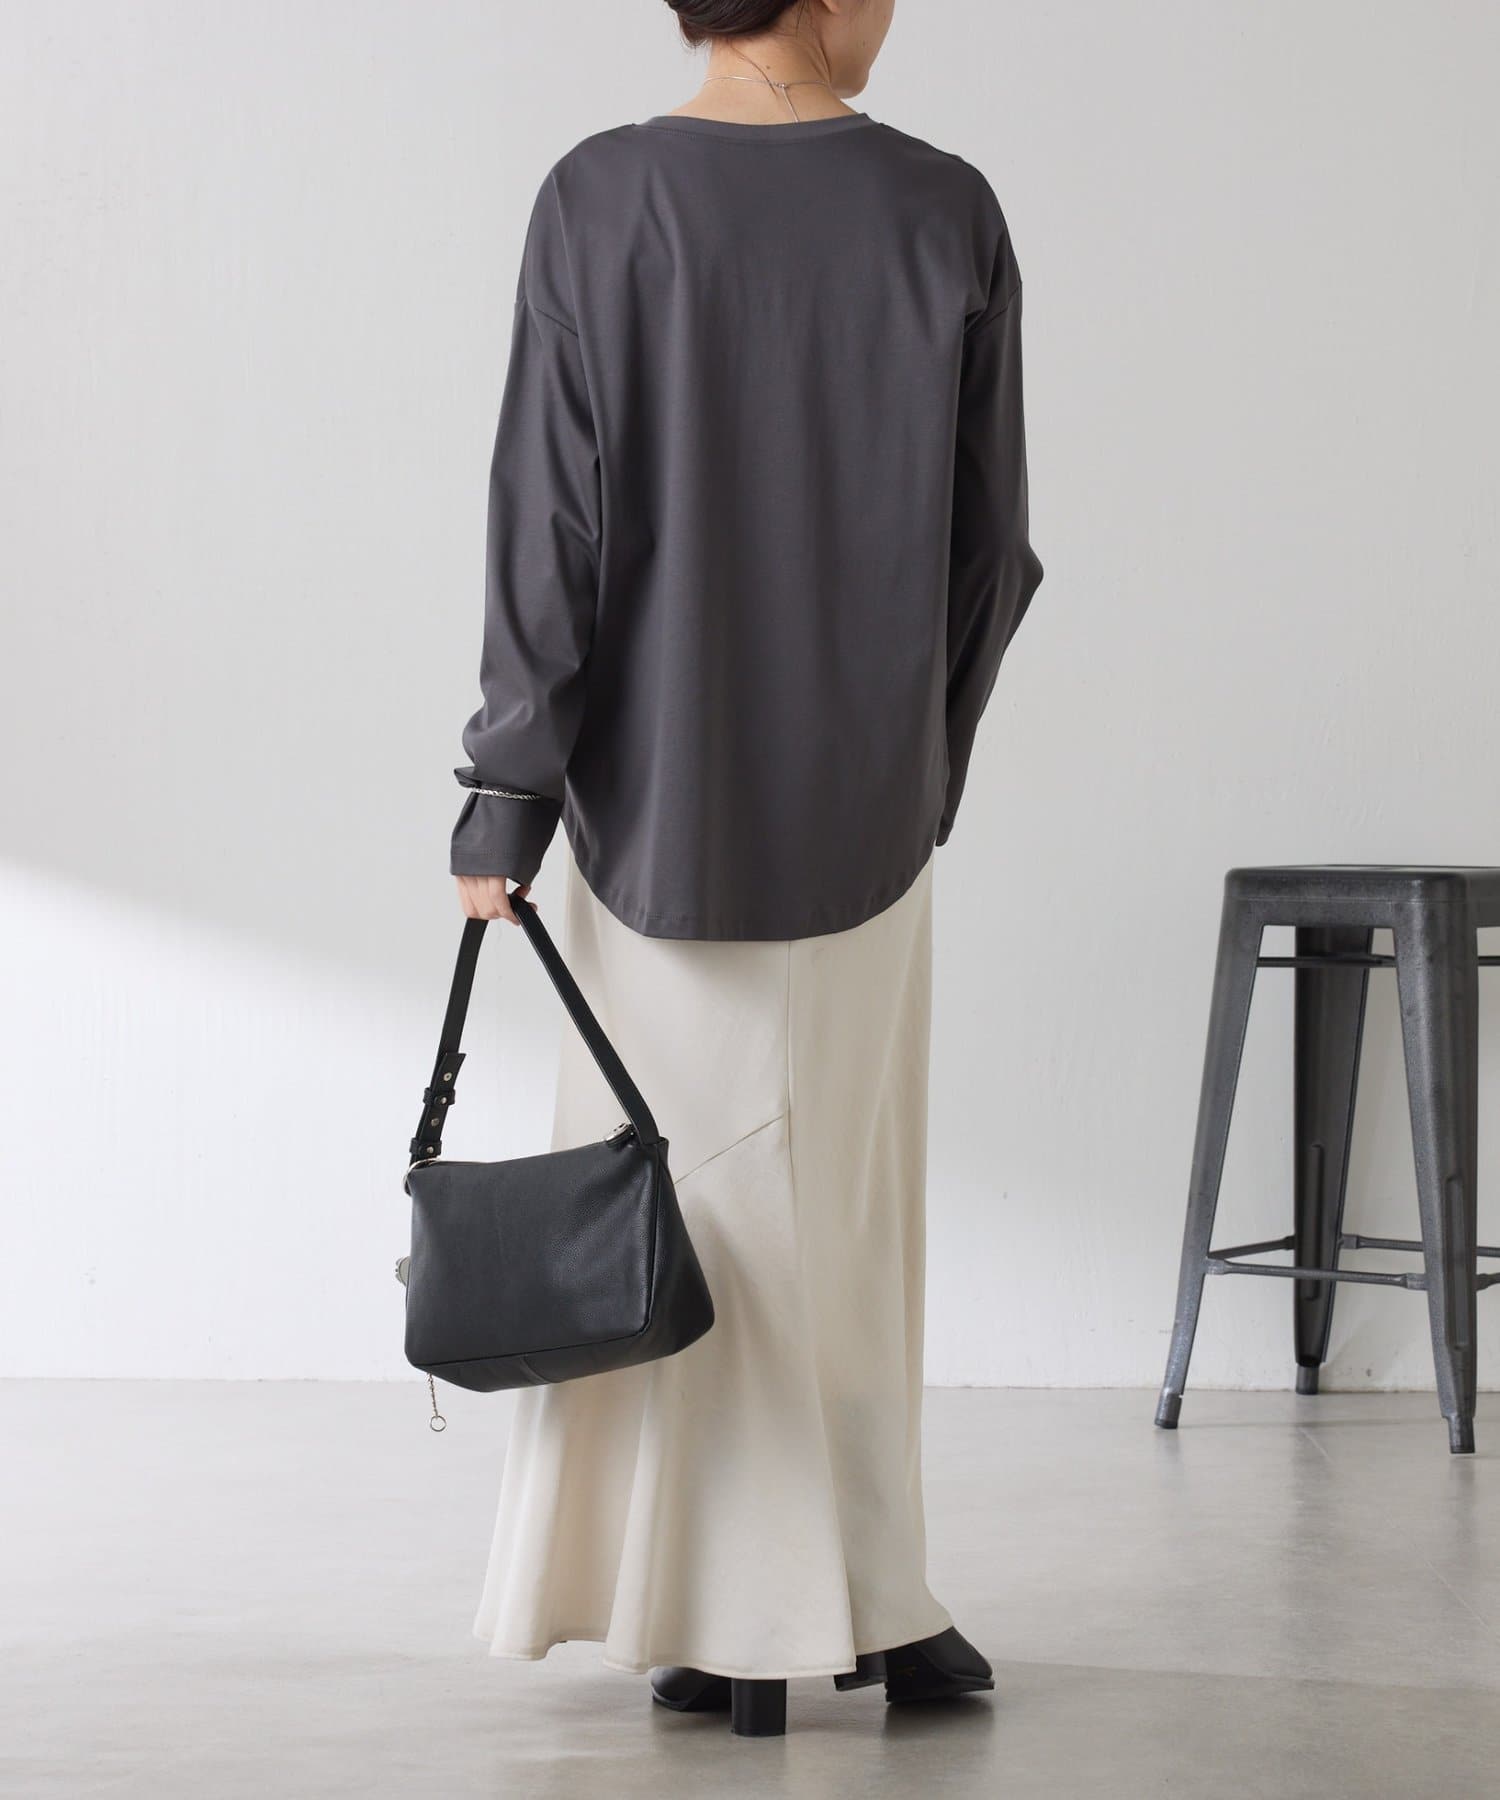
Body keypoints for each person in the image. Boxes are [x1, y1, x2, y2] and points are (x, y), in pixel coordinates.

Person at [449, 0, 1042, 1740]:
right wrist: (922, 765)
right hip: (869, 818)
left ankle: (709, 1620)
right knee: (843, 1216)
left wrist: (507, 801)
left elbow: (550, 530)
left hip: (652, 815)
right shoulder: (943, 209)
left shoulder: (600, 198)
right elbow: (989, 552)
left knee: (672, 1209)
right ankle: (868, 1597)